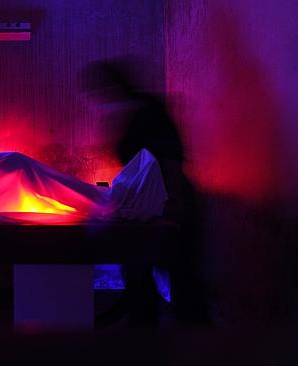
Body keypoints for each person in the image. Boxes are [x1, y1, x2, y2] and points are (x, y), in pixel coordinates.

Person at [82, 57, 210, 326]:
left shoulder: (148, 112)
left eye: (101, 90)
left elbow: (171, 157)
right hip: (151, 200)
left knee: (179, 270)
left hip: (168, 198)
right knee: (140, 267)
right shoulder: (127, 113)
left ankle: (196, 340)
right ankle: (145, 327)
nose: (99, 98)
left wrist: (173, 200)